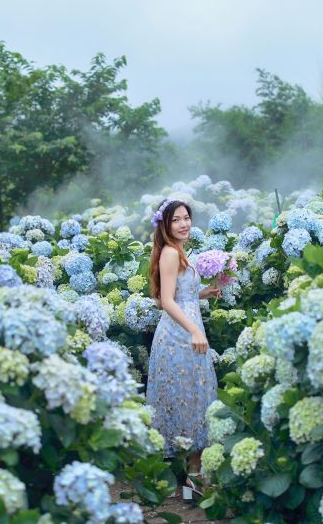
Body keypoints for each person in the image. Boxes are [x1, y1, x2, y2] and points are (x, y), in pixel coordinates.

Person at [145, 198, 220, 499]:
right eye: (176, 219)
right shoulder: (169, 254)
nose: (184, 223)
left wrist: (203, 293)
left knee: (195, 401)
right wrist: (193, 330)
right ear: (165, 225)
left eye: (186, 218)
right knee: (187, 402)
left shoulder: (178, 252)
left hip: (188, 333)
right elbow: (165, 300)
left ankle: (193, 483)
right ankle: (193, 482)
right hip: (178, 338)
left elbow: (181, 294)